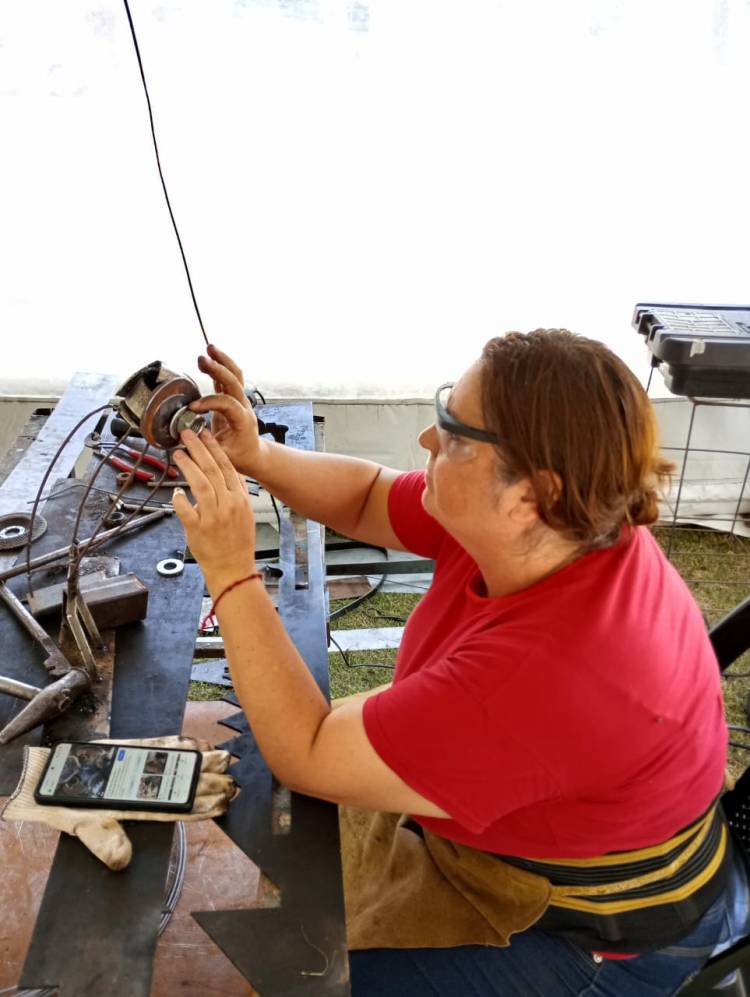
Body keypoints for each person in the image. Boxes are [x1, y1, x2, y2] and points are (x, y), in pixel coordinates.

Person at [170, 331, 750, 996]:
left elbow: (306, 752)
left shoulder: (540, 677)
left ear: (529, 494)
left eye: (453, 430)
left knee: (288, 970)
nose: (426, 439)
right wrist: (259, 456)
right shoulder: (563, 522)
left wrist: (232, 572)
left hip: (593, 933)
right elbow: (368, 496)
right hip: (562, 830)